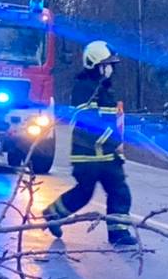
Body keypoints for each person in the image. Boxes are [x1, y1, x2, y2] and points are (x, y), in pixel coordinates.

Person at [41, 41, 138, 247]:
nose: (111, 68)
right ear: (95, 64)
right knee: (89, 192)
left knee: (117, 191)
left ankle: (117, 232)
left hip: (105, 155)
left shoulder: (102, 89)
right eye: (107, 64)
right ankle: (54, 214)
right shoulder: (86, 89)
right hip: (90, 155)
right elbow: (88, 121)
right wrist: (111, 136)